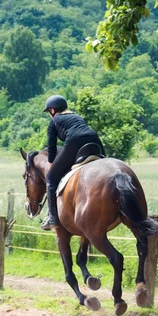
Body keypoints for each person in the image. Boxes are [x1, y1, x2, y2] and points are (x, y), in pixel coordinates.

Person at [41, 95, 106, 231]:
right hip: (94, 139)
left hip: (75, 141)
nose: (49, 114)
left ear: (52, 110)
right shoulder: (77, 116)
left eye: (48, 112)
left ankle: (52, 218)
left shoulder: (54, 122)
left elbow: (51, 147)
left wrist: (52, 163)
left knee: (51, 179)